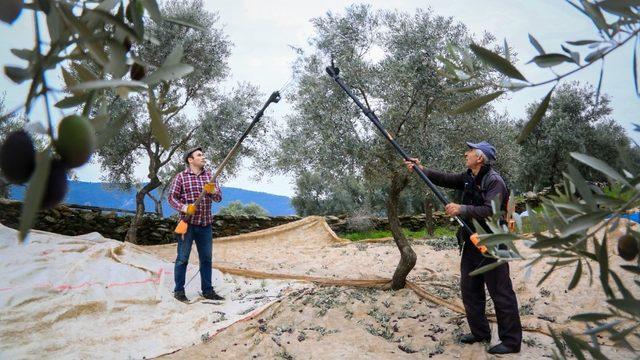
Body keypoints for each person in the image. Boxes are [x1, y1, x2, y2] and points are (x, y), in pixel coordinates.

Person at [404, 141, 522, 355]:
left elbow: (490, 210)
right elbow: (445, 179)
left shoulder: (494, 181)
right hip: (472, 241)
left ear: (480, 158)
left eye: (470, 151)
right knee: (470, 289)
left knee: (501, 293)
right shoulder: (469, 176)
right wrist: (422, 170)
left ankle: (512, 342)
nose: (465, 153)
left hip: (494, 241)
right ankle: (480, 332)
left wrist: (462, 208)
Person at [168, 146, 224, 302]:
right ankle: (179, 291)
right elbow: (172, 198)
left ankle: (208, 291)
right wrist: (185, 207)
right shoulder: (180, 177)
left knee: (206, 259)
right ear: (190, 160)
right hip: (188, 225)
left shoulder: (210, 177)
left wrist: (213, 191)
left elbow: (219, 198)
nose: (203, 157)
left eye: (203, 155)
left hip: (205, 225)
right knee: (182, 259)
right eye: (199, 155)